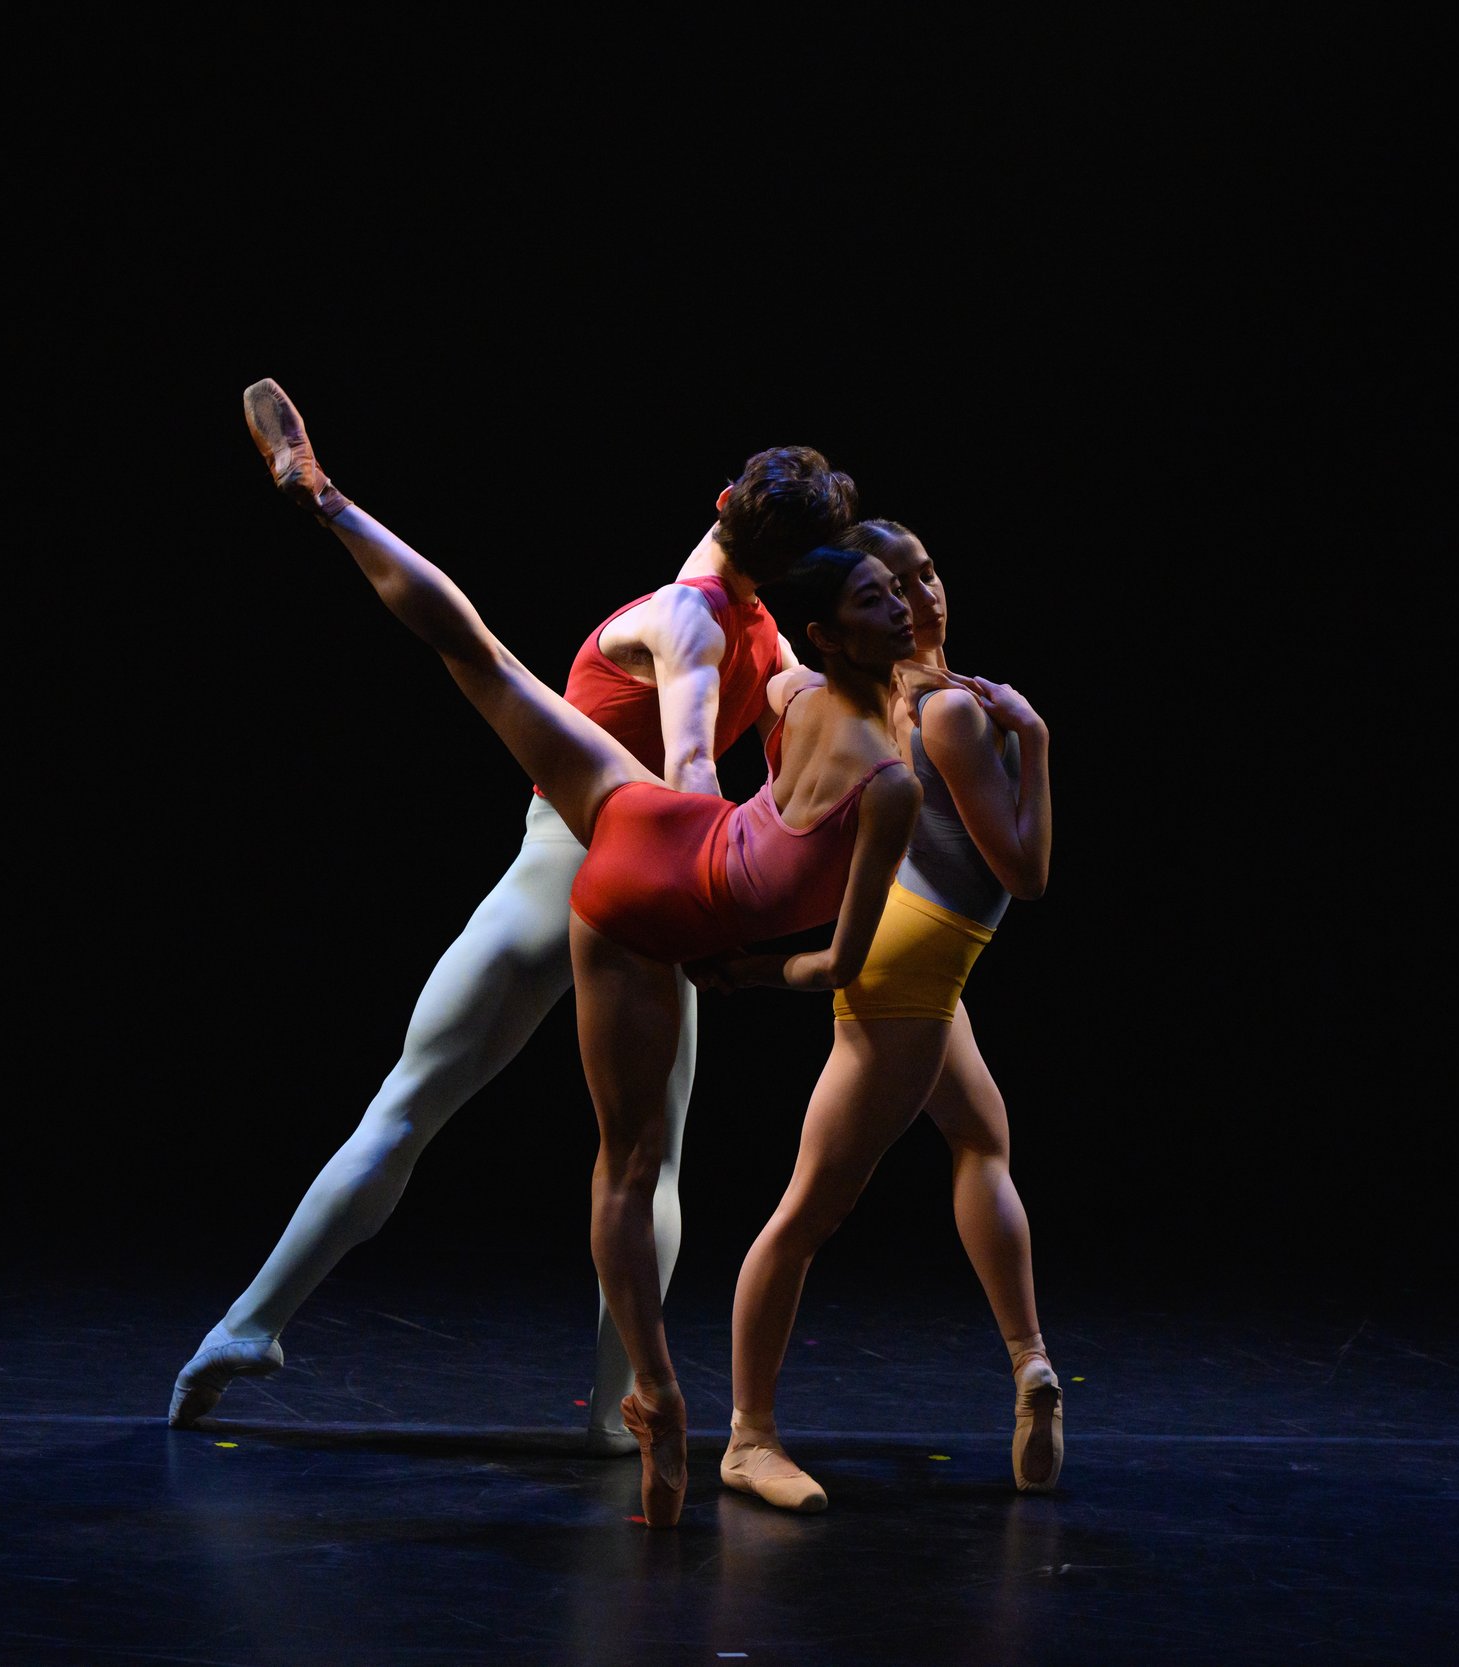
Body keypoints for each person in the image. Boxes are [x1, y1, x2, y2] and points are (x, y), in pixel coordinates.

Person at [211, 380, 923, 1528]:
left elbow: (690, 762)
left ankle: (251, 1322)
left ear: (722, 502)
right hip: (658, 880)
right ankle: (616, 1400)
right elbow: (730, 744)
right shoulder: (751, 632)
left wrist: (703, 844)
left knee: (412, 1101)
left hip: (589, 854)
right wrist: (731, 915)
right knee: (645, 1160)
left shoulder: (699, 618)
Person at [705, 519, 1061, 1513]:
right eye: (895, 583)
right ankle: (747, 1435)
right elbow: (1024, 873)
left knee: (981, 1137)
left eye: (928, 572)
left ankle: (1032, 1363)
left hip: (920, 964)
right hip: (907, 970)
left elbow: (784, 679)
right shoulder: (949, 713)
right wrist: (1035, 741)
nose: (921, 595)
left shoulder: (888, 695)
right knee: (806, 1212)